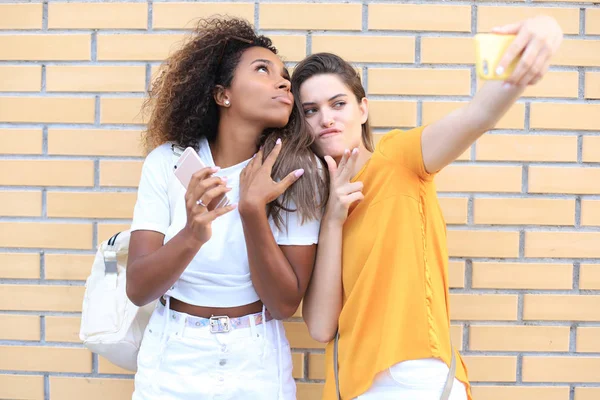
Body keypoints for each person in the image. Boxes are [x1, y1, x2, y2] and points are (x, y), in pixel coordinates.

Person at [295, 16, 563, 400]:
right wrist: (334, 219)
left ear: (363, 109)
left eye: (338, 103)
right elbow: (321, 327)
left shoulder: (398, 159)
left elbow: (478, 116)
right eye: (310, 110)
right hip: (350, 387)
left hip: (414, 378)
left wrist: (542, 32)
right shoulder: (319, 207)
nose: (326, 118)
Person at [126, 16, 324, 400]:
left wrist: (252, 210)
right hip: (173, 359)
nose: (284, 82)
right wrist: (192, 235)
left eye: (285, 75)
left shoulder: (297, 171)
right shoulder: (168, 162)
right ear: (222, 95)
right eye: (263, 70)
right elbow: (138, 288)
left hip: (256, 360)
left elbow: (284, 303)